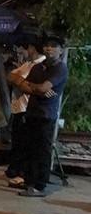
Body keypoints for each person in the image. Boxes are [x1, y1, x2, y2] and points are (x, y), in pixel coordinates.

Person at [7, 34, 68, 198]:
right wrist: (30, 86)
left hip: (46, 114)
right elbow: (32, 88)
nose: (49, 48)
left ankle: (39, 185)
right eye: (47, 45)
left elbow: (40, 88)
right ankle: (29, 180)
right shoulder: (37, 67)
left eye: (54, 46)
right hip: (31, 111)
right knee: (30, 148)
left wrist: (30, 86)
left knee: (42, 150)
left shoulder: (60, 68)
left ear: (61, 50)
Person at [6, 38, 45, 187]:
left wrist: (20, 81)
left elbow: (28, 87)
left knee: (25, 143)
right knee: (17, 141)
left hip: (27, 108)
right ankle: (15, 170)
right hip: (18, 107)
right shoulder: (28, 64)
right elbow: (11, 76)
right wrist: (21, 80)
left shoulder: (39, 64)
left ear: (32, 48)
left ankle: (22, 173)